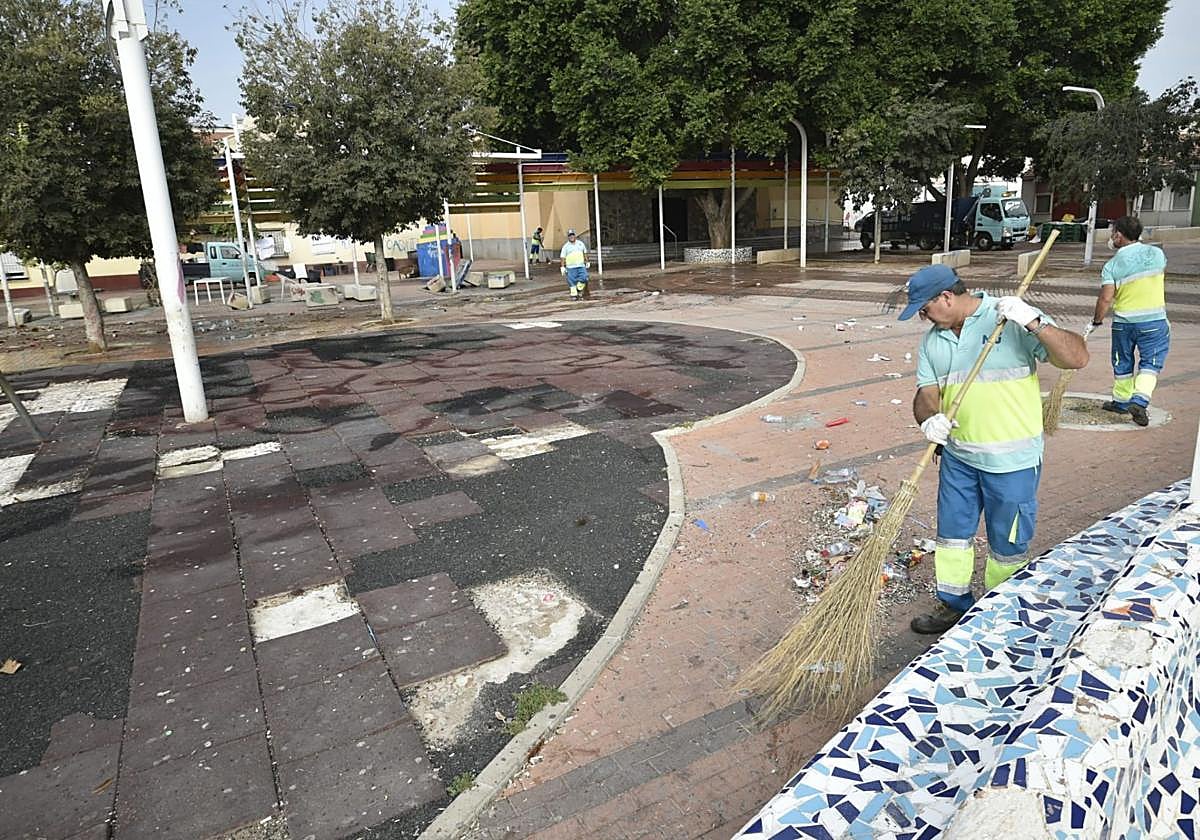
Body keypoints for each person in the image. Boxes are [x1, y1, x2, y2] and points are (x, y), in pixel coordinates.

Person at [899, 264, 1089, 634]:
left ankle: (1002, 607)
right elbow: (926, 395)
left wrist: (1034, 322)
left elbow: (1076, 357)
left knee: (1008, 544)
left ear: (947, 297)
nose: (922, 316)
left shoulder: (1008, 317)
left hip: (1012, 462)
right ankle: (954, 603)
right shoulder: (932, 341)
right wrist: (928, 420)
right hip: (959, 460)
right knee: (952, 538)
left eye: (925, 307)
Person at [1088, 215, 1169, 427]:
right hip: (1154, 322)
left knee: (1122, 361)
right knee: (1151, 364)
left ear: (1119, 235)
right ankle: (1140, 401)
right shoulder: (1158, 254)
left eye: (1113, 233)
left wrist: (1096, 321)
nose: (1111, 237)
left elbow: (1106, 298)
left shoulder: (1112, 265)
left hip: (1123, 323)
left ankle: (1122, 402)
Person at [559, 228, 590, 300]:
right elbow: (562, 257)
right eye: (570, 235)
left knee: (584, 277)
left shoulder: (580, 243)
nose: (571, 237)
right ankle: (574, 295)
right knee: (572, 281)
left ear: (575, 235)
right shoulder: (565, 246)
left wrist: (587, 261)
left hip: (581, 266)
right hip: (571, 267)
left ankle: (579, 288)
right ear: (568, 237)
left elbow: (584, 252)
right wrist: (562, 267)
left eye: (572, 235)